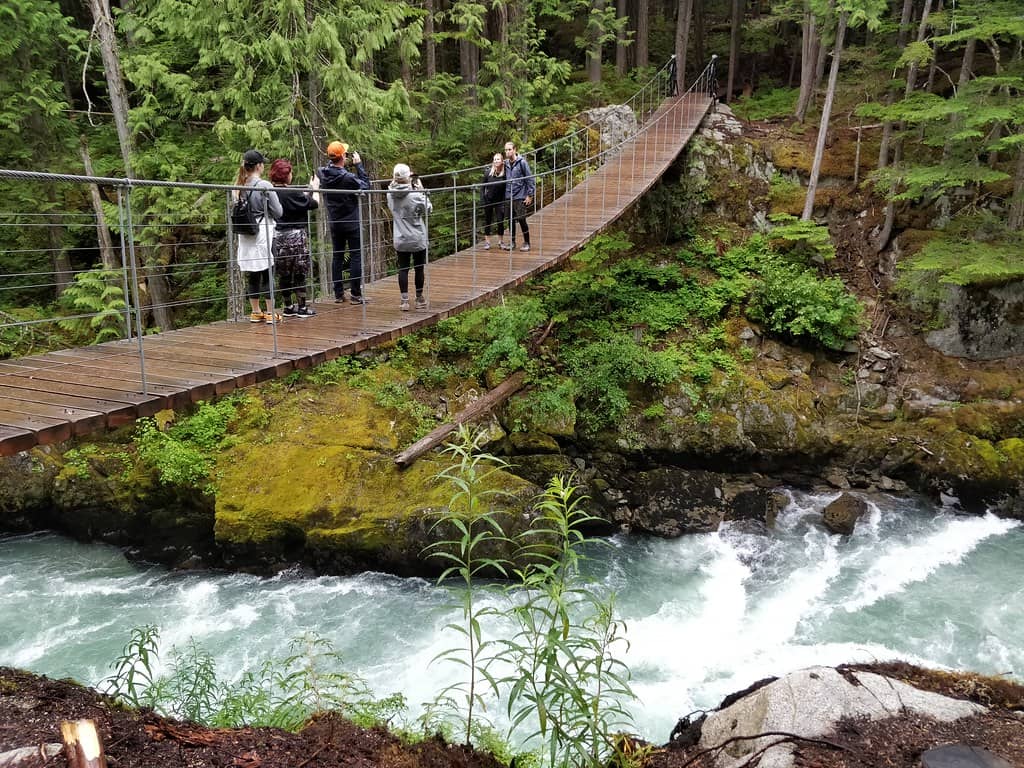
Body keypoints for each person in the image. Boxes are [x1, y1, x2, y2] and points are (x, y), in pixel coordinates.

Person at [317, 141, 370, 304]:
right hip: (351, 221)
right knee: (355, 256)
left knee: (337, 256)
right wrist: (359, 166)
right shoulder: (348, 177)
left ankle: (338, 294)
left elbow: (328, 168)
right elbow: (366, 186)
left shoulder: (322, 174)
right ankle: (355, 294)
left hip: (335, 221)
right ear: (343, 157)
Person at [234, 149, 283, 323]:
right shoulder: (264, 185)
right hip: (263, 232)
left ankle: (256, 312)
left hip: (246, 234)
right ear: (259, 166)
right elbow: (278, 211)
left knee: (253, 273)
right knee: (268, 271)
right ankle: (270, 313)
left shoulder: (238, 185)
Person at [268, 159, 319, 318]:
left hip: (277, 237)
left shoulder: (270, 192)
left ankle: (288, 306)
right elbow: (313, 203)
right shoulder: (293, 192)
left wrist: (308, 190)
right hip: (297, 237)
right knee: (299, 272)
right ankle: (302, 308)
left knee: (283, 272)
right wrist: (315, 188)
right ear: (286, 176)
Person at [387, 163, 432, 311]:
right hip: (417, 237)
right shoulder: (415, 194)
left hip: (400, 238)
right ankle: (419, 298)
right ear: (408, 178)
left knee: (403, 269)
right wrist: (422, 191)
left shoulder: (390, 194)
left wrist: (395, 183)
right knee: (419, 268)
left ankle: (404, 301)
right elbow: (428, 209)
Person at [502, 141, 535, 252]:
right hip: (508, 195)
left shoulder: (522, 163)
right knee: (510, 220)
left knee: (521, 219)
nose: (507, 152)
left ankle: (527, 242)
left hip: (520, 195)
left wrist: (530, 195)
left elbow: (529, 179)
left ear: (514, 150)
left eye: (509, 149)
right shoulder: (505, 164)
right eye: (506, 150)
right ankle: (512, 242)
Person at [480, 153, 507, 250]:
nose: (496, 161)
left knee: (500, 221)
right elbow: (482, 187)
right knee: (488, 221)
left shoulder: (505, 173)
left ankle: (500, 241)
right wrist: (482, 199)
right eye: (495, 159)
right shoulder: (488, 173)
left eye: (498, 159)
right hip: (489, 200)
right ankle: (487, 242)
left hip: (500, 201)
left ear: (502, 161)